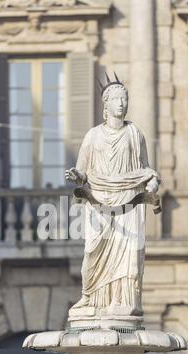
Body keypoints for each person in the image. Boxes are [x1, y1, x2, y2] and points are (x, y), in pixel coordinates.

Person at [66, 74, 161, 316]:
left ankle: (125, 300)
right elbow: (83, 171)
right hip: (99, 201)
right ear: (105, 104)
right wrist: (77, 176)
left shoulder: (134, 133)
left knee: (128, 253)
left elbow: (145, 169)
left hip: (128, 202)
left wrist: (152, 183)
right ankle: (90, 298)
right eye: (116, 99)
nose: (121, 103)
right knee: (92, 252)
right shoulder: (93, 135)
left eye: (125, 98)